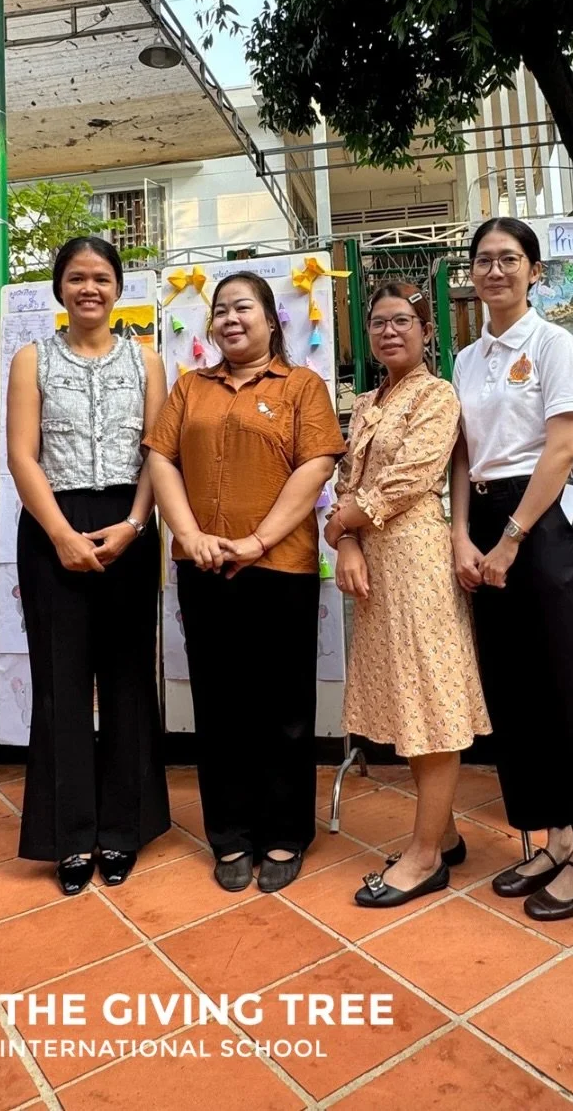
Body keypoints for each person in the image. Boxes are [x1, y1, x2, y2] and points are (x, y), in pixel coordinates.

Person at [450, 218, 573, 922]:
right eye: (484, 260)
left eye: (509, 259)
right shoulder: (467, 360)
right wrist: (464, 536)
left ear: (533, 271)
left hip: (546, 526)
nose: (494, 271)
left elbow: (561, 448)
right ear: (471, 274)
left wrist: (511, 539)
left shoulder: (554, 344)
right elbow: (464, 457)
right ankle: (555, 837)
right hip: (489, 523)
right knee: (517, 692)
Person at [146, 271, 345, 894]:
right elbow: (161, 458)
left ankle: (286, 832)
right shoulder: (189, 388)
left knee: (284, 706)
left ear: (269, 320)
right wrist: (191, 535)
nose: (232, 319)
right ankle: (230, 835)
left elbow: (314, 467)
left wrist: (258, 541)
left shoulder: (302, 387)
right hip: (202, 567)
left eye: (245, 309)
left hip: (279, 567)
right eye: (222, 311)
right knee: (221, 703)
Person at [7, 236, 170, 896]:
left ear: (118, 287)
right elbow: (23, 456)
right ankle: (69, 837)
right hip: (53, 529)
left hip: (128, 528)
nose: (89, 289)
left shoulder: (148, 361)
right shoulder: (31, 359)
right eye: (77, 278)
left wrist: (134, 525)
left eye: (101, 278)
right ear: (59, 288)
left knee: (129, 681)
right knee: (61, 684)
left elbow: (159, 454)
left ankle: (122, 829)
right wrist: (61, 535)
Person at [326, 283, 490, 909]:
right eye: (378, 323)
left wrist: (343, 523)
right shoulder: (367, 401)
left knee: (430, 699)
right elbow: (348, 479)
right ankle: (441, 831)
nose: (390, 331)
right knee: (404, 697)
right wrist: (343, 542)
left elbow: (411, 478)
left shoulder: (437, 395)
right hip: (372, 561)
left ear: (426, 332)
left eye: (403, 321)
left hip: (417, 558)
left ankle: (425, 858)